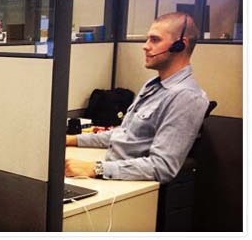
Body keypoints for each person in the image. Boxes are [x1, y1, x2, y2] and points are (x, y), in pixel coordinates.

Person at [65, 12, 209, 184]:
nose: (145, 46)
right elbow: (123, 134)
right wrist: (72, 140)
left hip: (132, 187)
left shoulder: (187, 97)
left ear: (180, 45)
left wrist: (96, 168)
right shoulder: (153, 86)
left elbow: (162, 167)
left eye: (155, 40)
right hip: (113, 175)